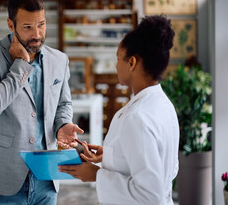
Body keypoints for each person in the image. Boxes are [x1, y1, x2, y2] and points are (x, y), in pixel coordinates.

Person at [0, 0, 83, 205]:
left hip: (46, 178)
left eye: (41, 24)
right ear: (11, 25)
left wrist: (62, 125)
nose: (37, 34)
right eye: (28, 27)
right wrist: (20, 65)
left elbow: (63, 103)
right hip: (2, 178)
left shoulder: (59, 60)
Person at [59, 15, 180, 205]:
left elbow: (149, 195)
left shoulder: (138, 117)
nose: (116, 66)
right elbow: (159, 164)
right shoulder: (163, 104)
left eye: (118, 59)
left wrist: (97, 175)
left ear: (132, 63)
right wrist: (110, 154)